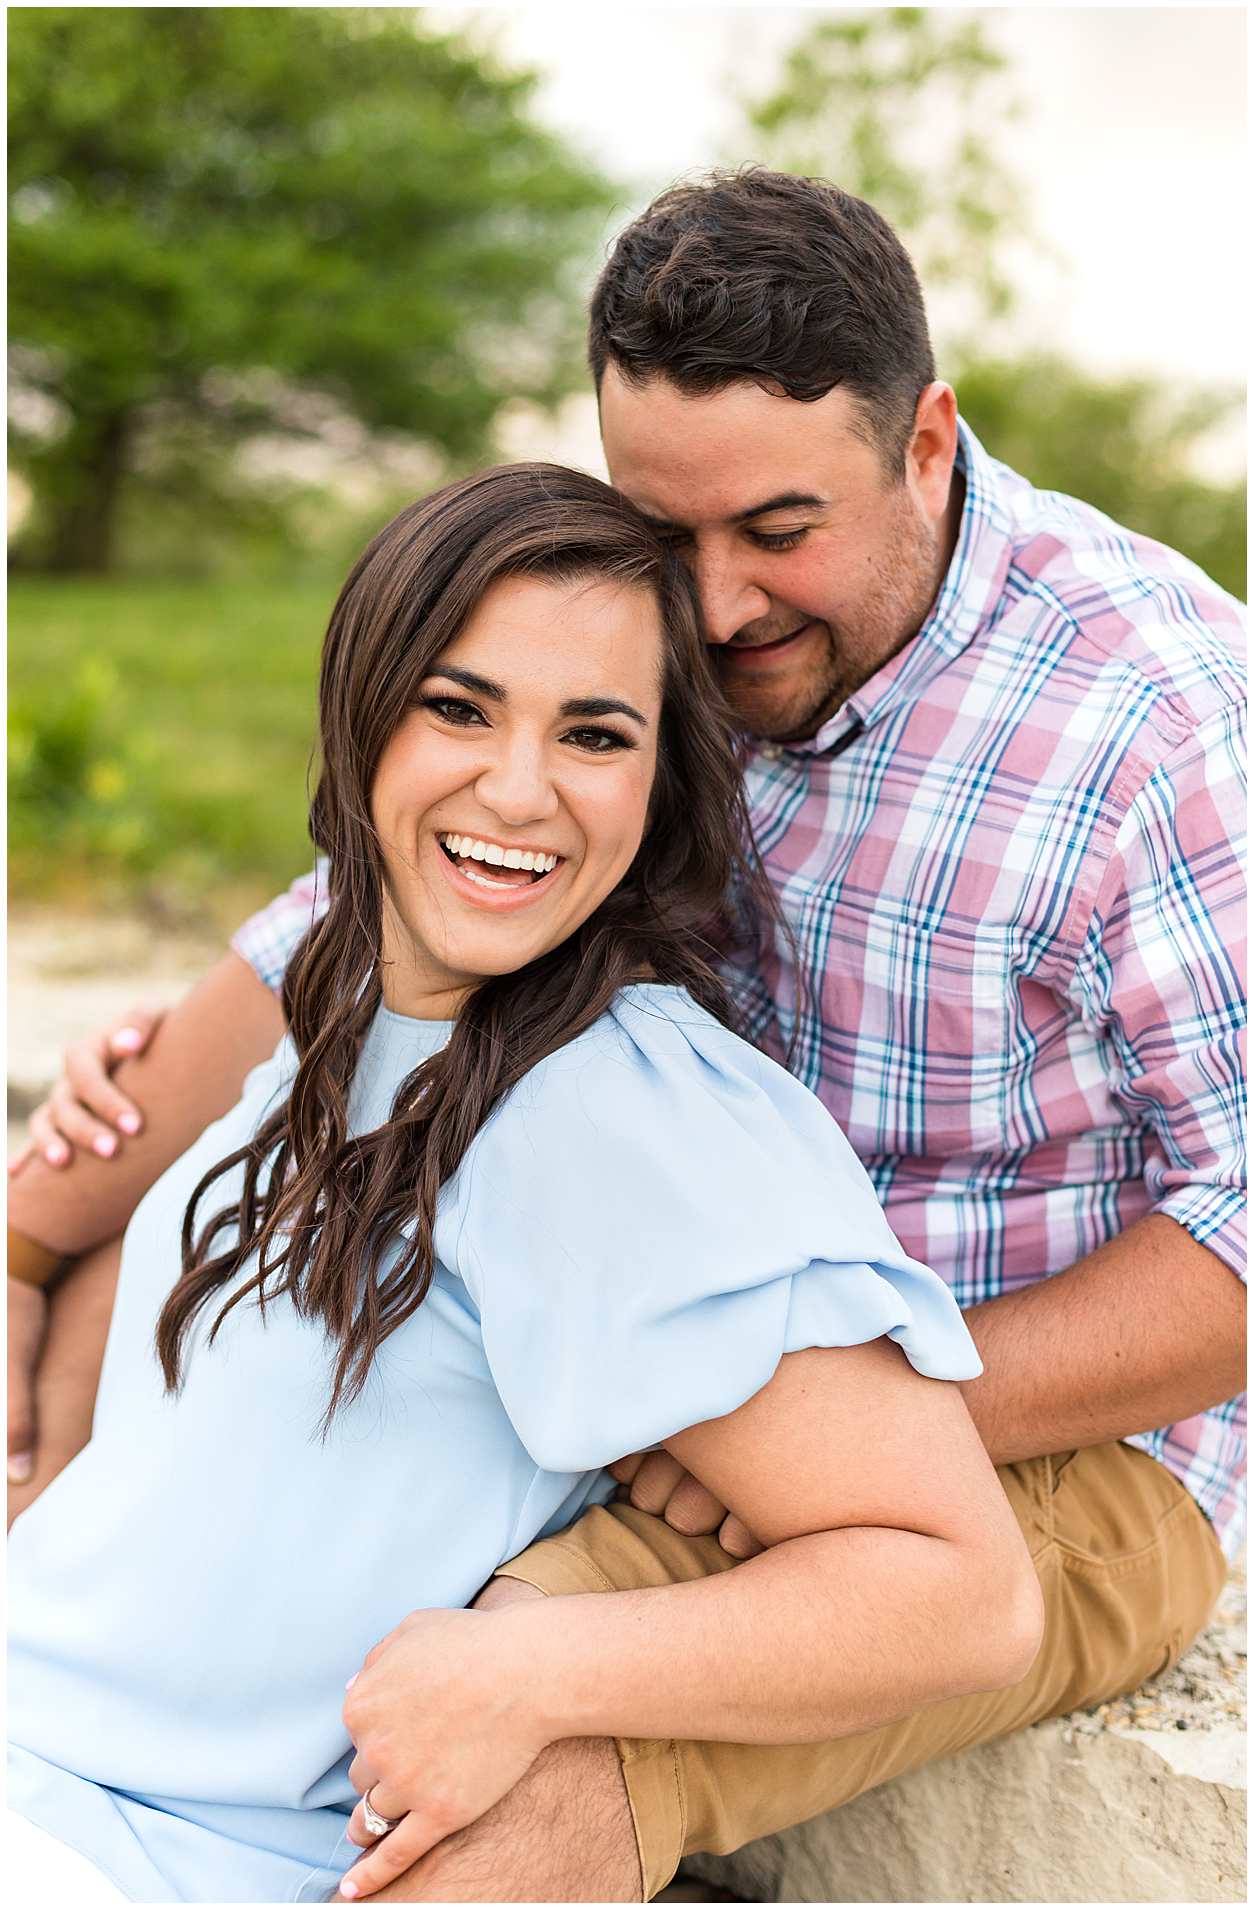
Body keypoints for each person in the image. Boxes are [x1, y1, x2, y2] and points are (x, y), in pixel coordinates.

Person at [9, 170, 1244, 1903]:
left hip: (1055, 1432)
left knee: (514, 1723)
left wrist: (828, 1415)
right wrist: (32, 1228)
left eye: (777, 529)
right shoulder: (634, 661)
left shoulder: (1157, 722)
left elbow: (1241, 1228)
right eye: (667, 530)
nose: (719, 601)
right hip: (669, 1328)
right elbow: (348, 921)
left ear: (925, 442)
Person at [7, 462, 1039, 1905]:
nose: (516, 789)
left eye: (594, 732)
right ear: (364, 706)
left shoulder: (621, 1112)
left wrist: (530, 1665)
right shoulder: (350, 992)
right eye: (459, 706)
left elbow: (961, 1589)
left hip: (152, 1852)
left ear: (658, 776)